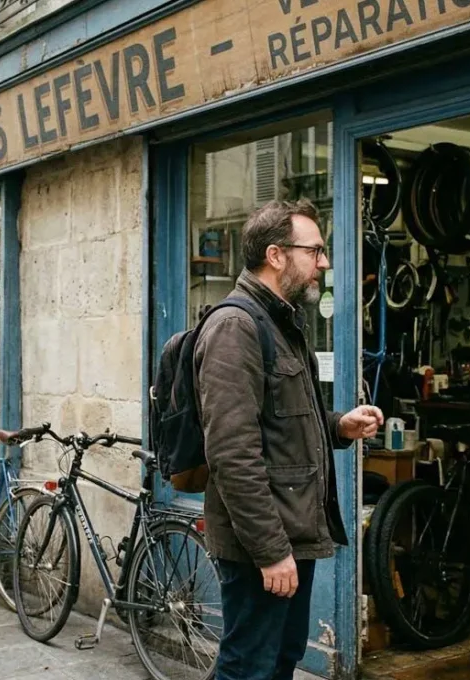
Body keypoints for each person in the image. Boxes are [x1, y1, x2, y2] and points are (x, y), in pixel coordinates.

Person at [194, 198, 384, 680]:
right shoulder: (236, 327)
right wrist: (271, 551)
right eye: (315, 251)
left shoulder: (280, 323)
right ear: (276, 255)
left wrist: (339, 425)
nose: (324, 263)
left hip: (289, 533)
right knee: (248, 667)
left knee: (278, 659)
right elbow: (233, 454)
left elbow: (281, 421)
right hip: (263, 542)